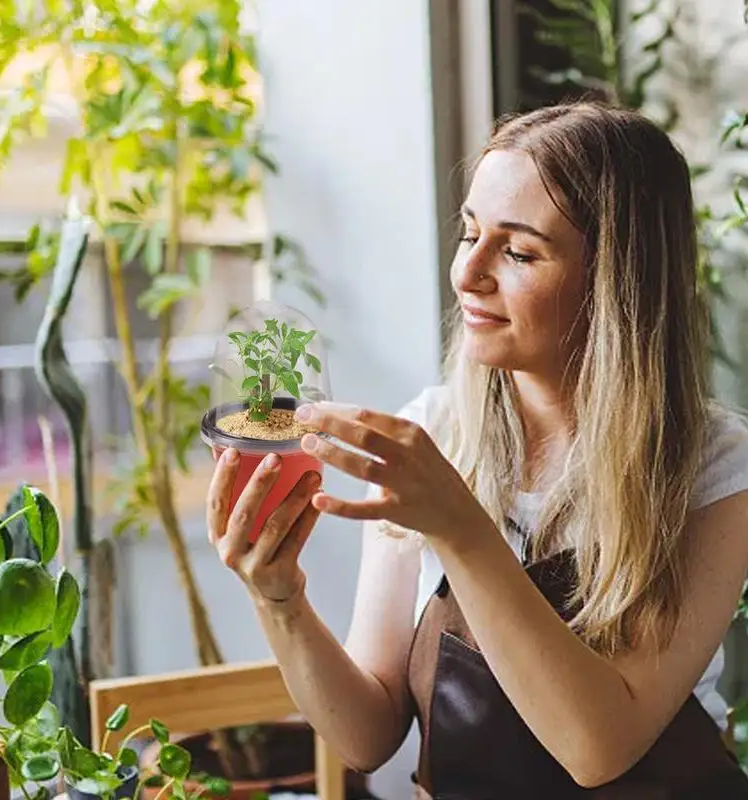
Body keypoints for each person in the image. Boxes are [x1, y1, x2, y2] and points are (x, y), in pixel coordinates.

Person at [206, 102, 748, 798]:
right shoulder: (433, 431)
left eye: (519, 252)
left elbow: (598, 748)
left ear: (618, 277)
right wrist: (279, 598)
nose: (469, 274)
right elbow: (367, 737)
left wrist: (460, 526)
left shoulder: (713, 466)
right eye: (470, 235)